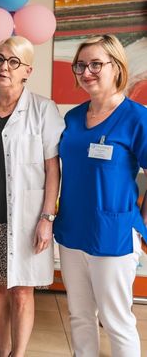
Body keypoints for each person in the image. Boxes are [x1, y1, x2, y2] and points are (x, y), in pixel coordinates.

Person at [0, 36, 65, 357]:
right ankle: (1, 351)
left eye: (13, 61)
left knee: (21, 291)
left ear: (27, 71)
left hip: (27, 219)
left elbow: (53, 169)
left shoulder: (43, 109)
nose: (4, 67)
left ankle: (17, 354)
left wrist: (47, 218)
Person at [54, 34, 147, 357]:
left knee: (116, 320)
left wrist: (141, 223)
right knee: (80, 316)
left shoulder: (137, 118)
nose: (86, 72)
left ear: (116, 67)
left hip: (113, 234)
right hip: (71, 231)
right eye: (80, 65)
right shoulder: (73, 117)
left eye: (96, 64)